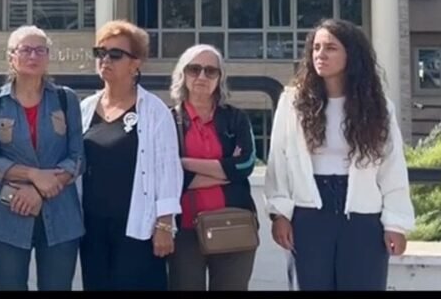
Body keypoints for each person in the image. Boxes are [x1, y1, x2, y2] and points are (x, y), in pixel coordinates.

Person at [264, 18, 416, 290]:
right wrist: (280, 214)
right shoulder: (292, 102)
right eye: (316, 48)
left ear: (351, 55)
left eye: (330, 48)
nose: (320, 54)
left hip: (362, 214)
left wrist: (396, 223)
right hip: (309, 211)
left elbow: (392, 166)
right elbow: (279, 160)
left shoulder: (378, 106)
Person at [77, 19, 182, 291]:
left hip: (138, 227)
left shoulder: (155, 111)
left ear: (136, 63)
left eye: (115, 54)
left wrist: (165, 225)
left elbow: (168, 170)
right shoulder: (85, 108)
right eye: (100, 52)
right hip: (92, 228)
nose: (105, 60)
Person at [0, 25, 84, 290]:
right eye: (25, 50)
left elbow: (77, 157)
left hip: (61, 216)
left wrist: (39, 191)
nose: (33, 56)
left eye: (40, 50)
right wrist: (33, 175)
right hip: (8, 215)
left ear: (48, 57)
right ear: (11, 57)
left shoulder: (66, 99)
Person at [167, 44, 258, 291]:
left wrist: (185, 163)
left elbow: (245, 165)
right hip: (184, 229)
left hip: (234, 224)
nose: (202, 76)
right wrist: (226, 171)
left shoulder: (236, 118)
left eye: (210, 71)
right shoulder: (167, 120)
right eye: (194, 69)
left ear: (220, 78)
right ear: (182, 74)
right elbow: (168, 175)